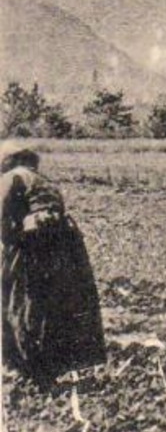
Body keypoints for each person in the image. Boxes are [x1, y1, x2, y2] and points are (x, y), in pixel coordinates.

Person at [1, 144, 106, 387]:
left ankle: (24, 370)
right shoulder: (43, 181)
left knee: (18, 306)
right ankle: (45, 369)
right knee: (47, 310)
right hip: (60, 255)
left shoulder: (12, 178)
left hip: (30, 251)